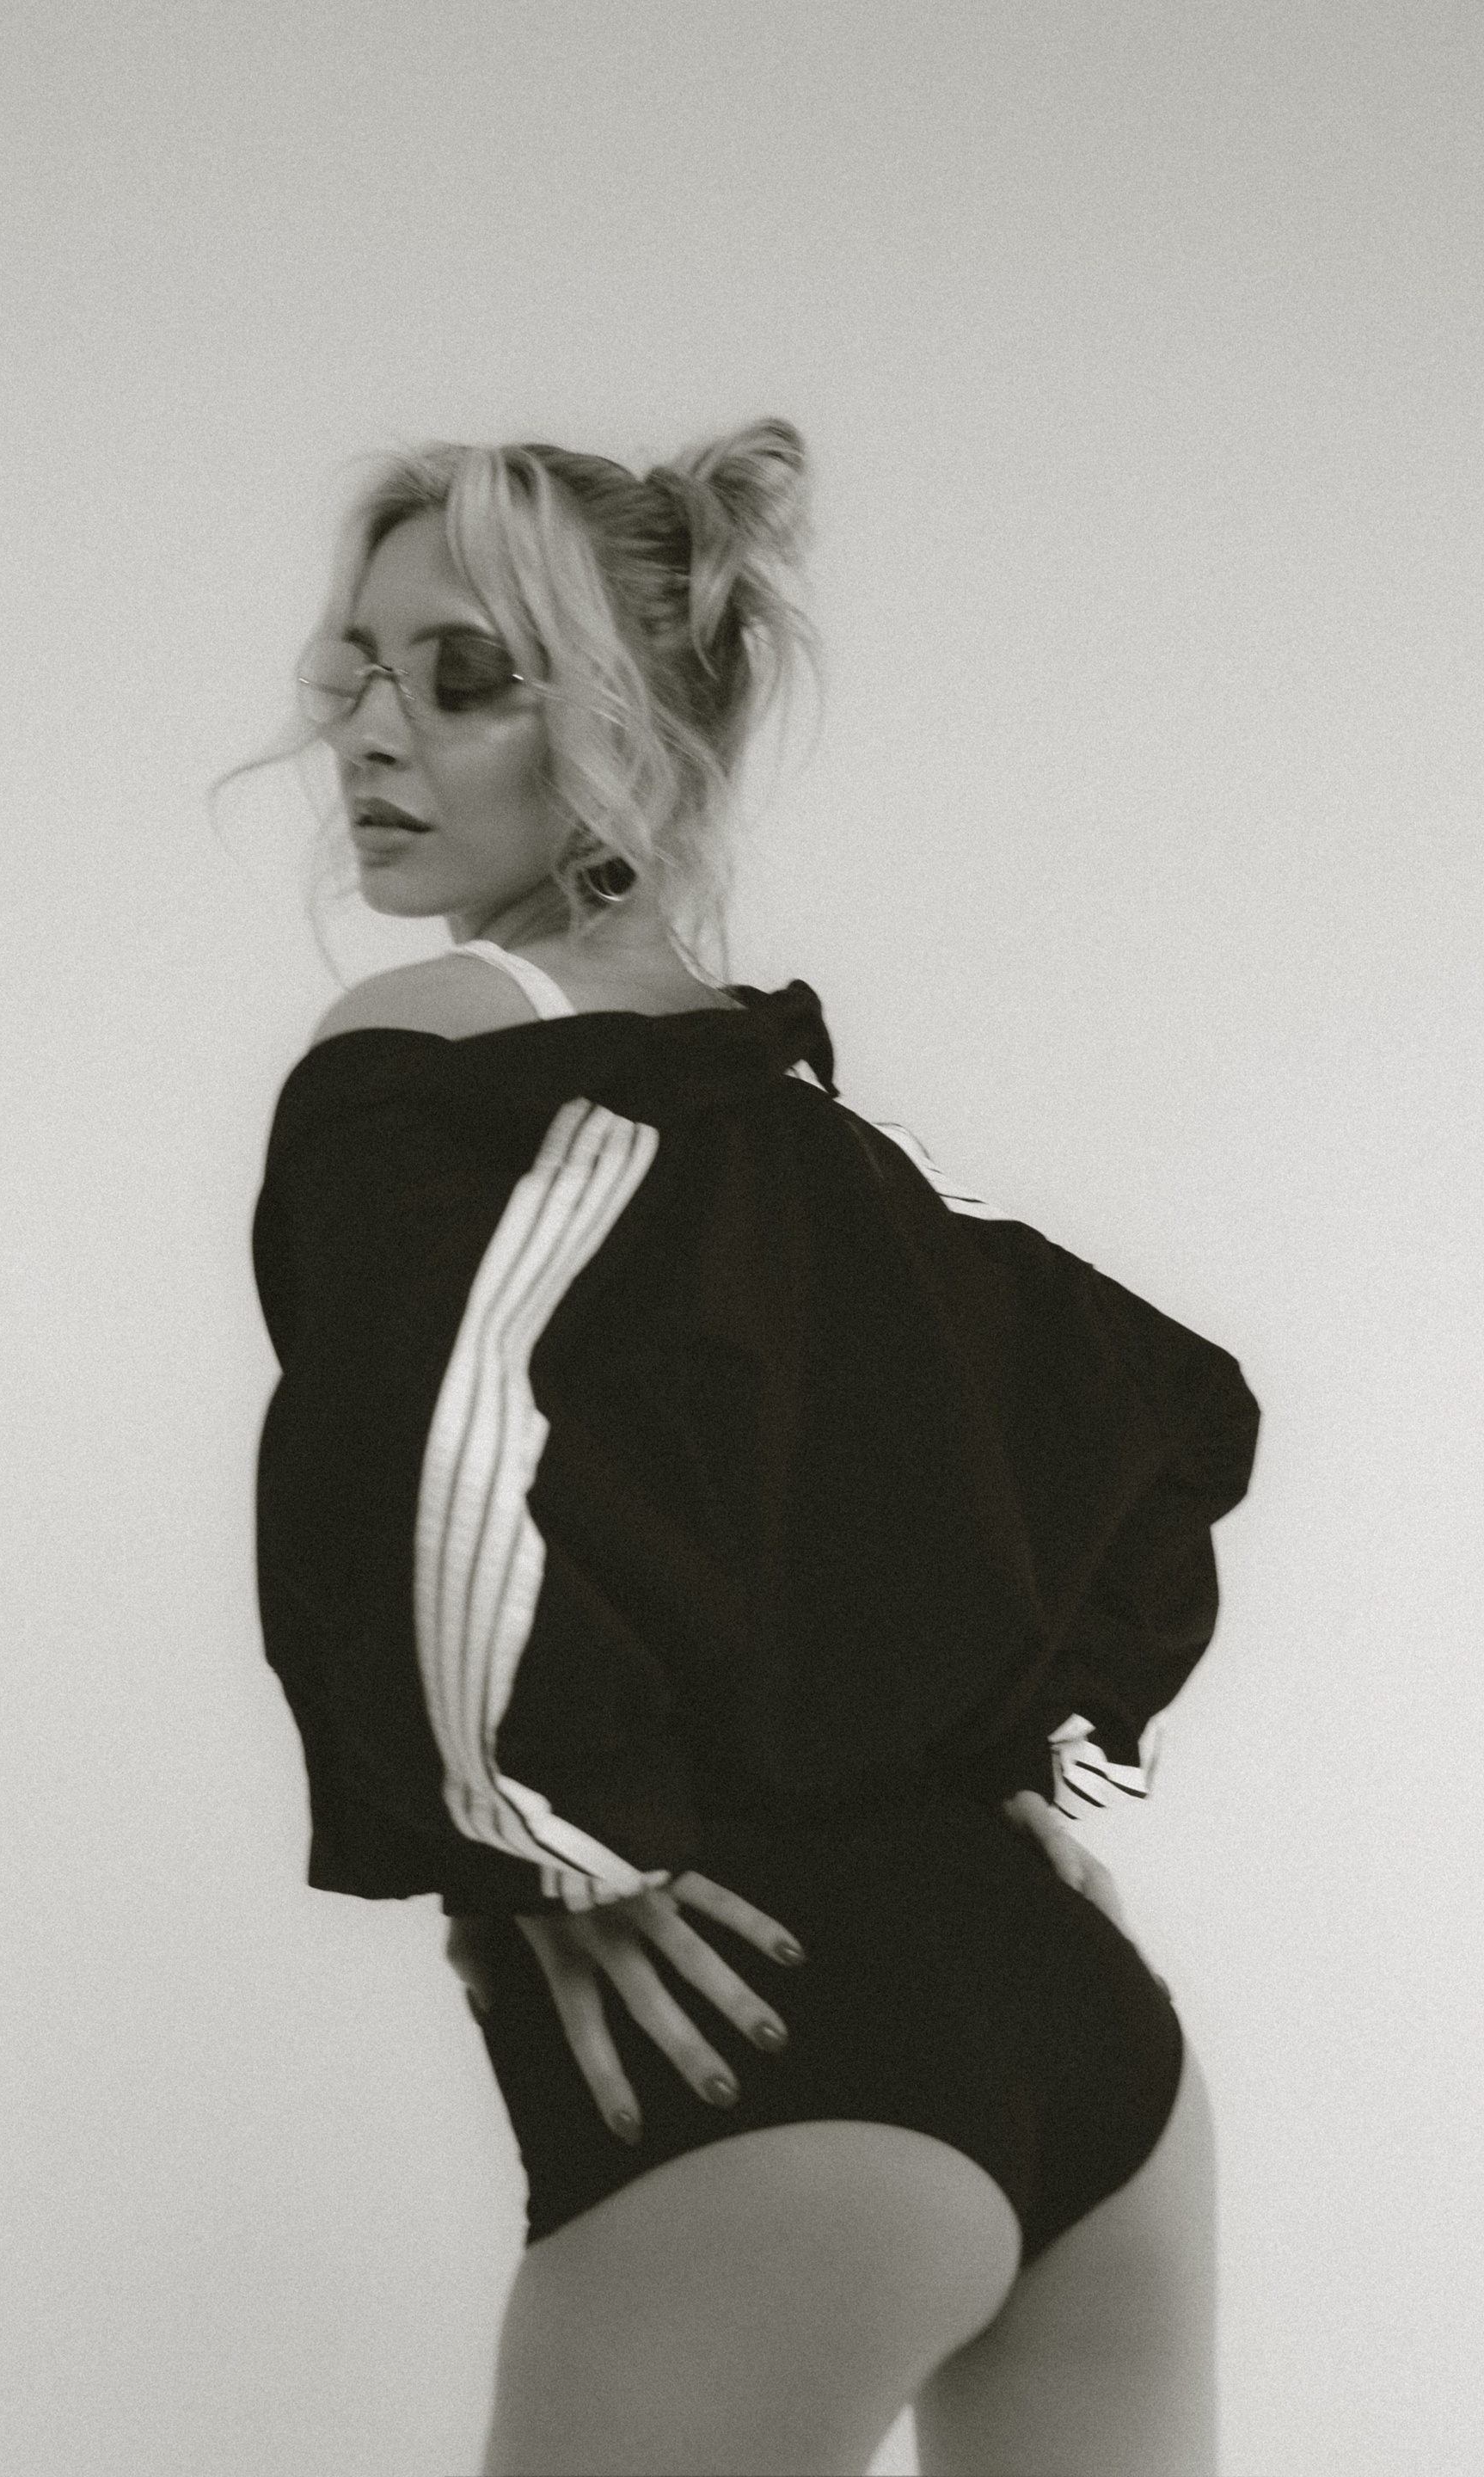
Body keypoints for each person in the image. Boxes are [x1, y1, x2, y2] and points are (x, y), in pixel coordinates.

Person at [247, 417, 1260, 2477]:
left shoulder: (438, 1047)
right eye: (358, 665)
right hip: (1090, 2050)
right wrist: (1024, 1754)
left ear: (619, 727)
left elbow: (415, 1474)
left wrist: (548, 1847)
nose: (371, 729)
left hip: (778, 2066)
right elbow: (1139, 1405)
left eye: (463, 677)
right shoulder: (798, 1120)